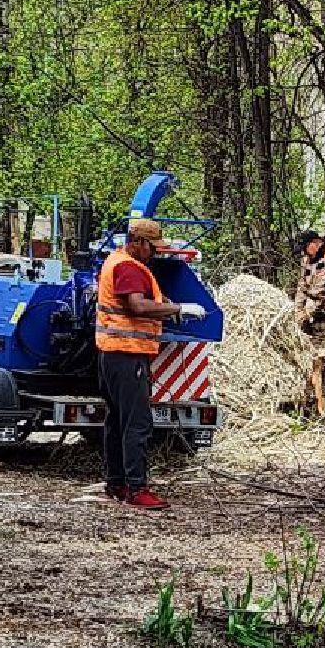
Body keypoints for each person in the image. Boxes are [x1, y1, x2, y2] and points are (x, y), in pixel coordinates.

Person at [95, 217, 206, 511]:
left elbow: (145, 299)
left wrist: (166, 305)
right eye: (152, 247)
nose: (155, 252)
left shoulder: (115, 261)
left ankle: (116, 483)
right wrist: (179, 308)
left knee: (117, 421)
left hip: (112, 354)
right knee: (137, 423)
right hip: (128, 354)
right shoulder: (128, 267)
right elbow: (137, 305)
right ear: (138, 242)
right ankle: (136, 488)